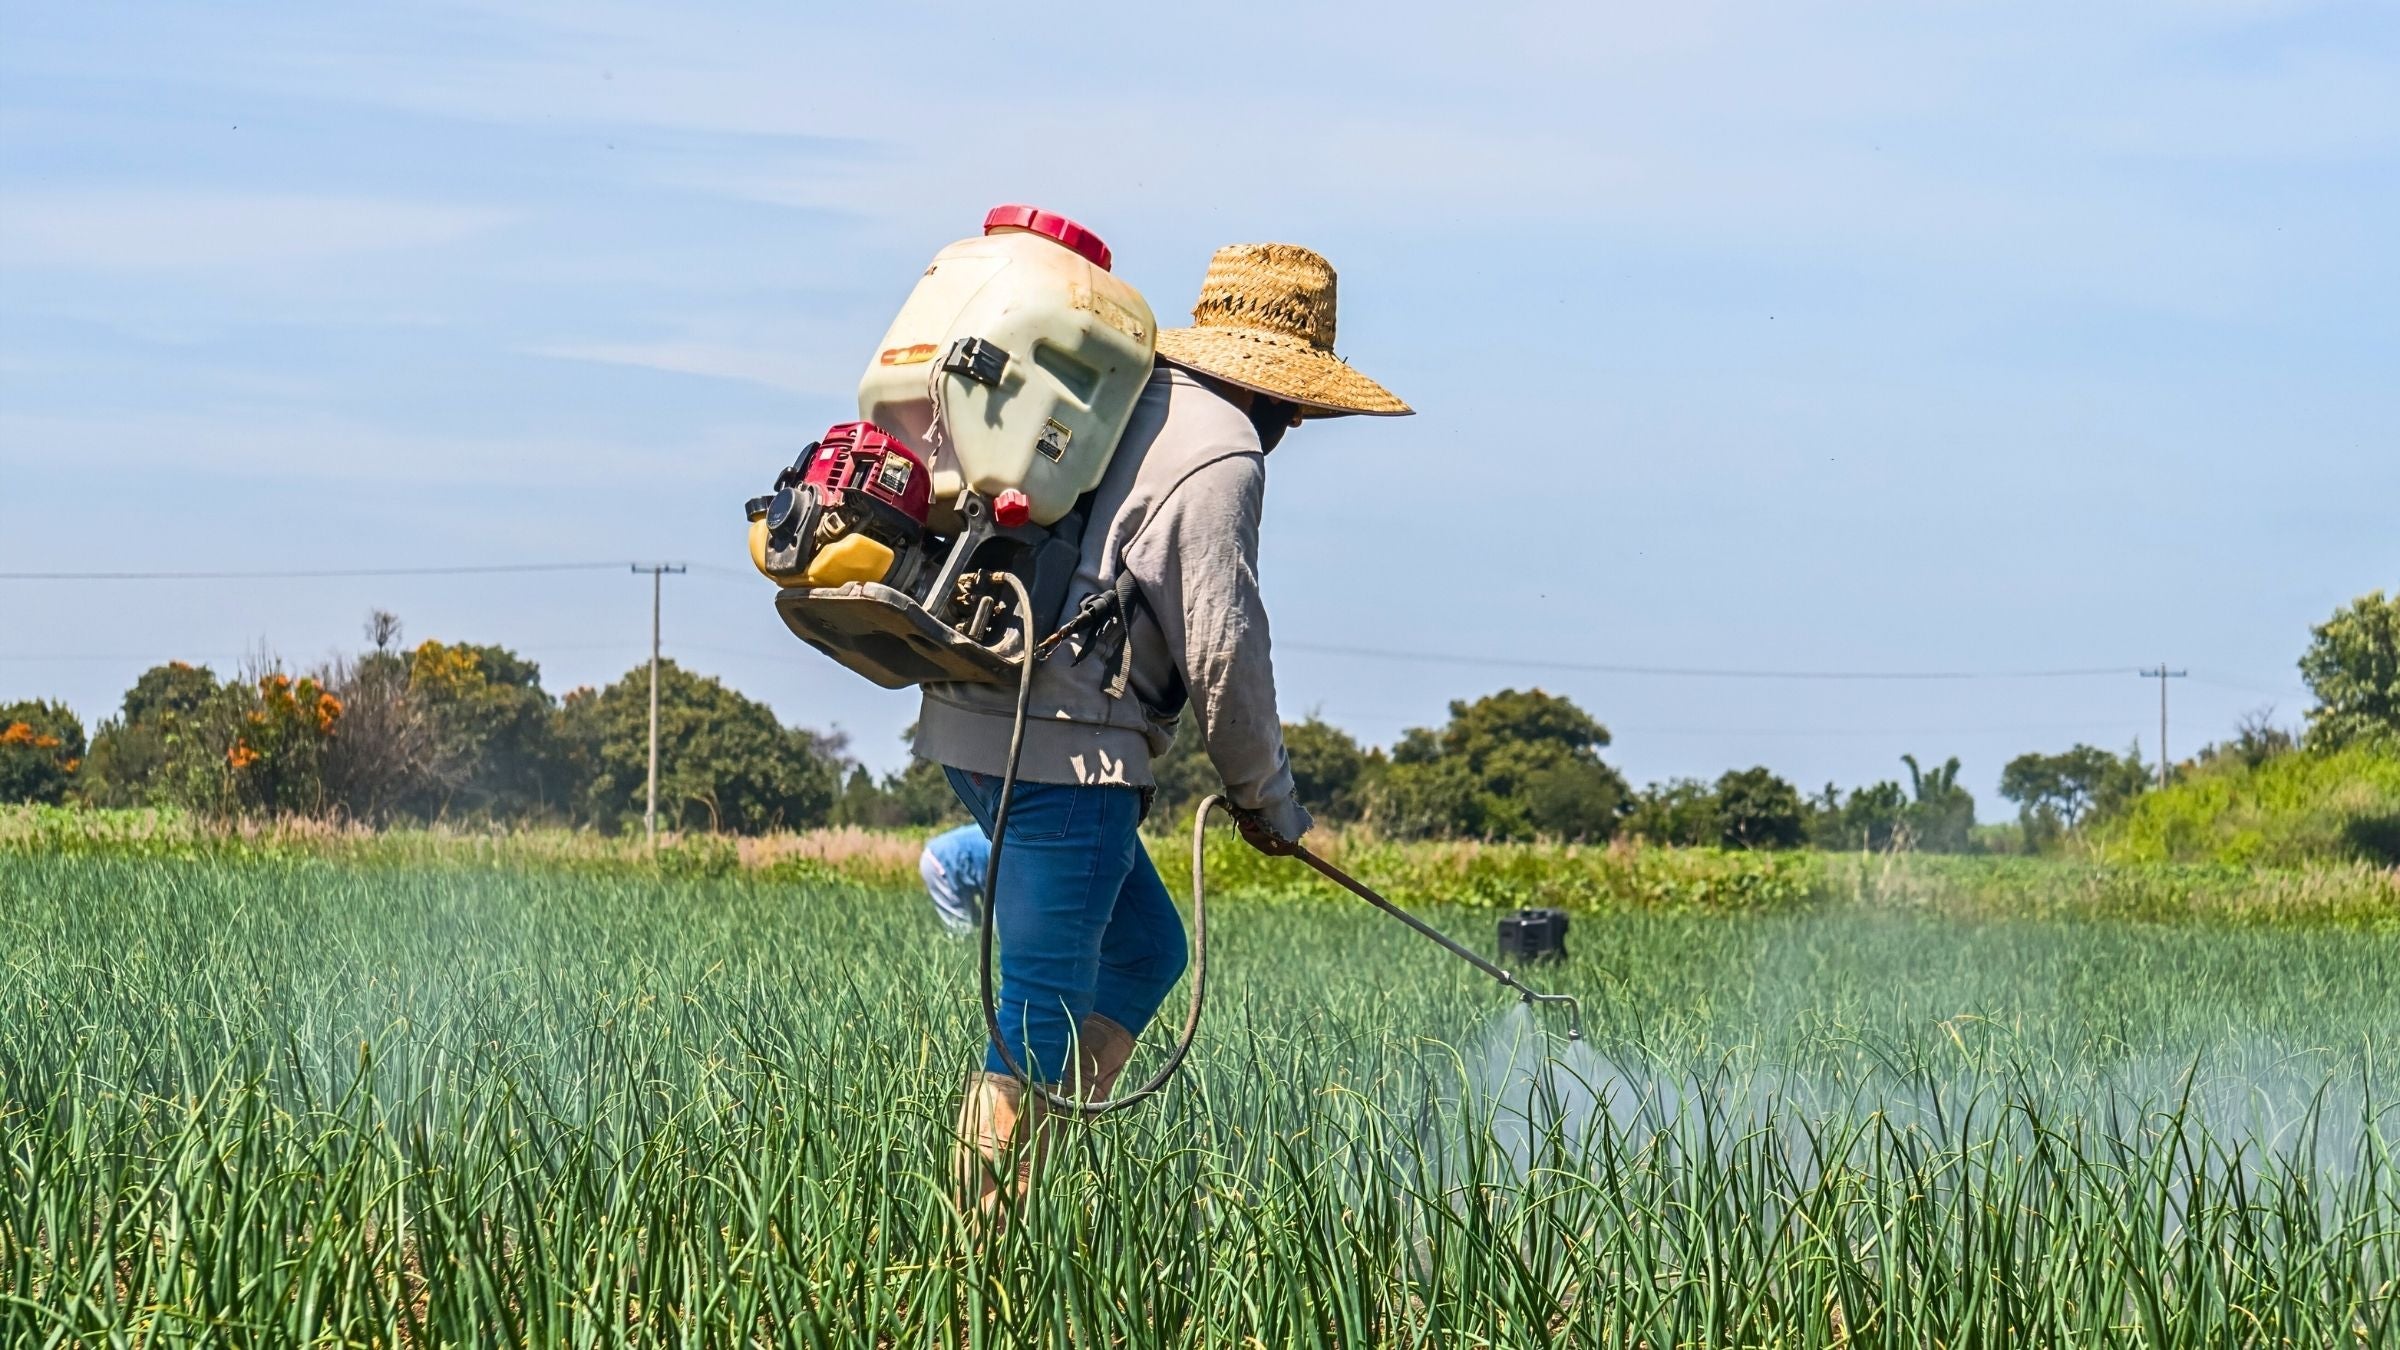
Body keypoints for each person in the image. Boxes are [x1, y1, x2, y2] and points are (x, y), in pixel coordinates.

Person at [914, 242, 1412, 1208]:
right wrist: (1268, 803)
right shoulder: (1220, 448)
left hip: (971, 720)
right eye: (1301, 408)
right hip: (1064, 750)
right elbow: (1222, 647)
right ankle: (976, 1262)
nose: (1297, 425)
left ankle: (1047, 1185)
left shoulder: (1125, 393)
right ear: (1285, 388)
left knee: (1147, 950)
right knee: (1035, 1016)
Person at [919, 822, 989, 933]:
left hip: (955, 859)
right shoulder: (999, 841)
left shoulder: (998, 831)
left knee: (977, 921)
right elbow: (995, 894)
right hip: (937, 862)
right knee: (960, 927)